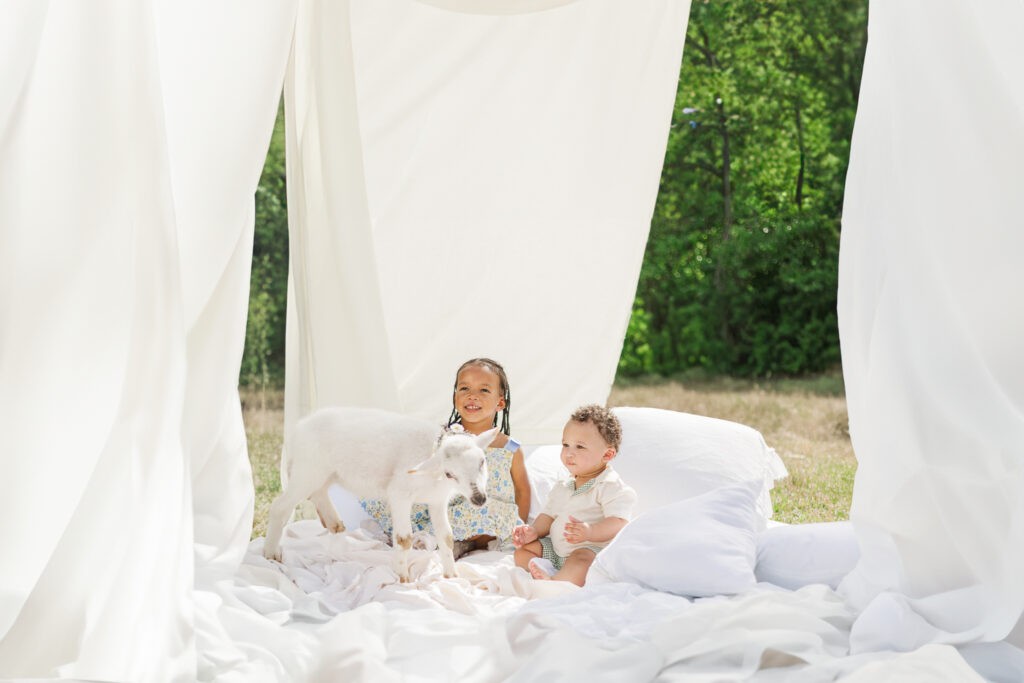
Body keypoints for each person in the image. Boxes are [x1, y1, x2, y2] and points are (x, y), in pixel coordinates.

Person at [360, 358, 531, 558]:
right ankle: (440, 540)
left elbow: (522, 489)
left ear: (500, 402)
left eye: (484, 390)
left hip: (485, 513)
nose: (472, 396)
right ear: (455, 396)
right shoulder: (442, 437)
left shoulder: (509, 447)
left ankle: (462, 545)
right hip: (448, 509)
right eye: (464, 388)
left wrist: (519, 527)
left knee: (494, 514)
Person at [512, 404, 636, 586]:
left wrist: (590, 532)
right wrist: (534, 531)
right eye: (565, 444)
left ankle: (556, 583)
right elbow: (547, 515)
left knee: (581, 560)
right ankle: (545, 571)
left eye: (580, 447)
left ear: (607, 454)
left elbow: (619, 522)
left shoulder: (609, 485)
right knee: (522, 552)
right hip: (556, 550)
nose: (569, 453)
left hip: (589, 549)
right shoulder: (564, 486)